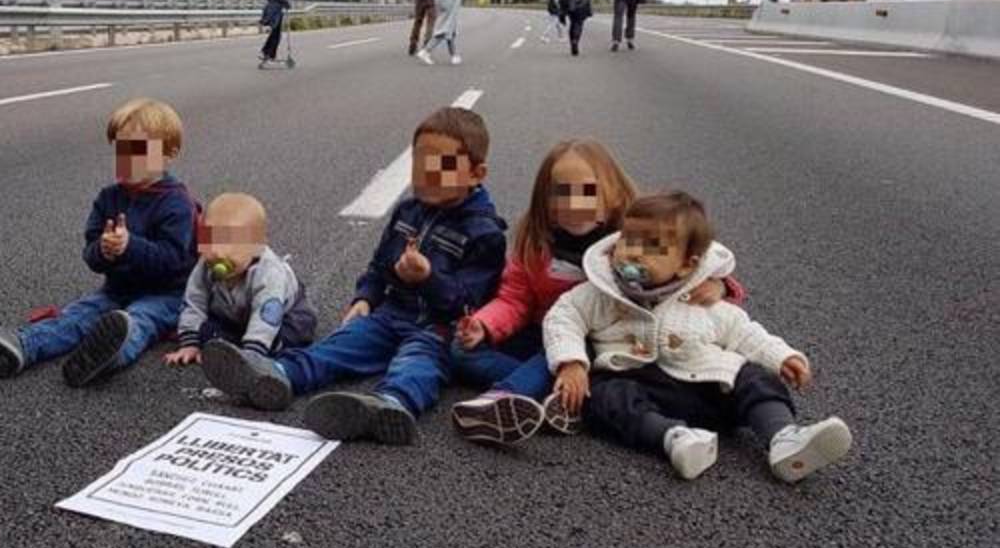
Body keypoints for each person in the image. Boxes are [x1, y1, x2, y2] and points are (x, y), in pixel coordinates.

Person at [200, 107, 507, 446]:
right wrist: (366, 297)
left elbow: (469, 302)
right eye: (420, 162)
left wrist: (428, 278)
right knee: (340, 345)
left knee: (417, 364)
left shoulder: (485, 233)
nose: (427, 173)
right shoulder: (408, 211)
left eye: (443, 165)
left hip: (439, 329)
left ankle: (389, 406)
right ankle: (276, 374)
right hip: (390, 315)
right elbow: (379, 265)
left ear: (477, 173)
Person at [543, 191, 853, 482]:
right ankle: (673, 438)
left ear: (685, 265)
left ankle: (783, 437)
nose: (633, 253)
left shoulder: (700, 297)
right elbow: (563, 317)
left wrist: (781, 355)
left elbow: (742, 331)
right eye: (628, 241)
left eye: (652, 246)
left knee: (751, 376)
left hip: (706, 385)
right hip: (638, 381)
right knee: (603, 396)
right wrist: (572, 362)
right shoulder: (600, 293)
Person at [451, 142, 744, 446]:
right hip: (544, 330)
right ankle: (567, 393)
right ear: (545, 201)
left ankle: (507, 396)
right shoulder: (537, 247)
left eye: (586, 191)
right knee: (461, 353)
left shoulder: (631, 237)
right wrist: (483, 324)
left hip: (599, 337)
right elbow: (515, 300)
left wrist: (720, 285)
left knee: (549, 357)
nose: (574, 203)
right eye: (562, 192)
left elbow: (694, 257)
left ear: (612, 195)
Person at [0, 98, 198, 387]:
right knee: (79, 315)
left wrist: (131, 247)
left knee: (140, 319)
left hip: (165, 294)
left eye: (139, 150)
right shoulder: (109, 198)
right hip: (118, 289)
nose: (128, 158)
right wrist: (104, 251)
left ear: (169, 154)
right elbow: (90, 253)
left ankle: (108, 356)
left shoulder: (177, 203)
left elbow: (174, 259)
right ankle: (20, 347)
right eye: (121, 149)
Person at [165, 193, 317, 366]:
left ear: (257, 247)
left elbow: (266, 315)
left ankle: (261, 346)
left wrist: (252, 353)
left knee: (296, 331)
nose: (218, 253)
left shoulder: (269, 273)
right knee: (207, 330)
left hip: (282, 313)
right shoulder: (205, 265)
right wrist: (190, 343)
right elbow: (194, 302)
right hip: (233, 314)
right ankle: (233, 343)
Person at [260, 0, 292, 65]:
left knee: (275, 31)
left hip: (269, 5)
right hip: (276, 6)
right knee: (276, 33)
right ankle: (267, 53)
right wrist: (287, 4)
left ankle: (268, 53)